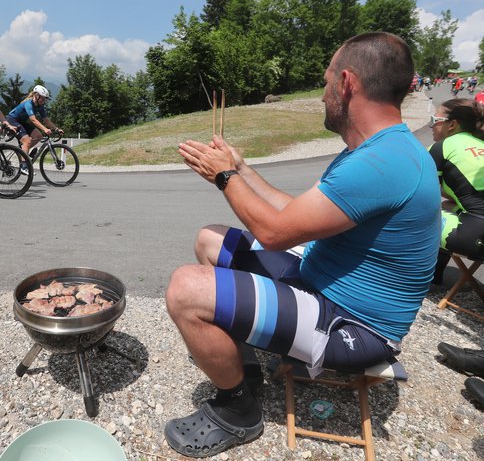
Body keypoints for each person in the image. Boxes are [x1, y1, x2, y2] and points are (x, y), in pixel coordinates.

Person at [163, 32, 441, 458]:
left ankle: (239, 412)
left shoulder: (381, 164)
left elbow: (275, 232)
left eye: (326, 81)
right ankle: (245, 371)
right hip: (323, 282)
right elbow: (296, 213)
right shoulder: (380, 149)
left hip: (353, 324)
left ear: (347, 83)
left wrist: (225, 178)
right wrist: (241, 168)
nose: (322, 93)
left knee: (185, 289)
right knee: (210, 239)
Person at [428, 98, 484, 283]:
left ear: (452, 124)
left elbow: (417, 194)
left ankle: (421, 279)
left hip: (475, 239)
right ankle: (435, 277)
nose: (431, 126)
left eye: (434, 120)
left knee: (415, 214)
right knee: (450, 205)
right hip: (477, 228)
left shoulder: (441, 148)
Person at [6, 85, 64, 174]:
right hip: (12, 120)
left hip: (21, 122)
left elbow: (46, 120)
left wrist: (56, 129)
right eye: (43, 98)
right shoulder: (28, 103)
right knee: (27, 141)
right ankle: (24, 166)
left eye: (45, 99)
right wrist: (45, 129)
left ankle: (24, 153)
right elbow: (33, 120)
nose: (44, 101)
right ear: (36, 96)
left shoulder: (40, 106)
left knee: (38, 136)